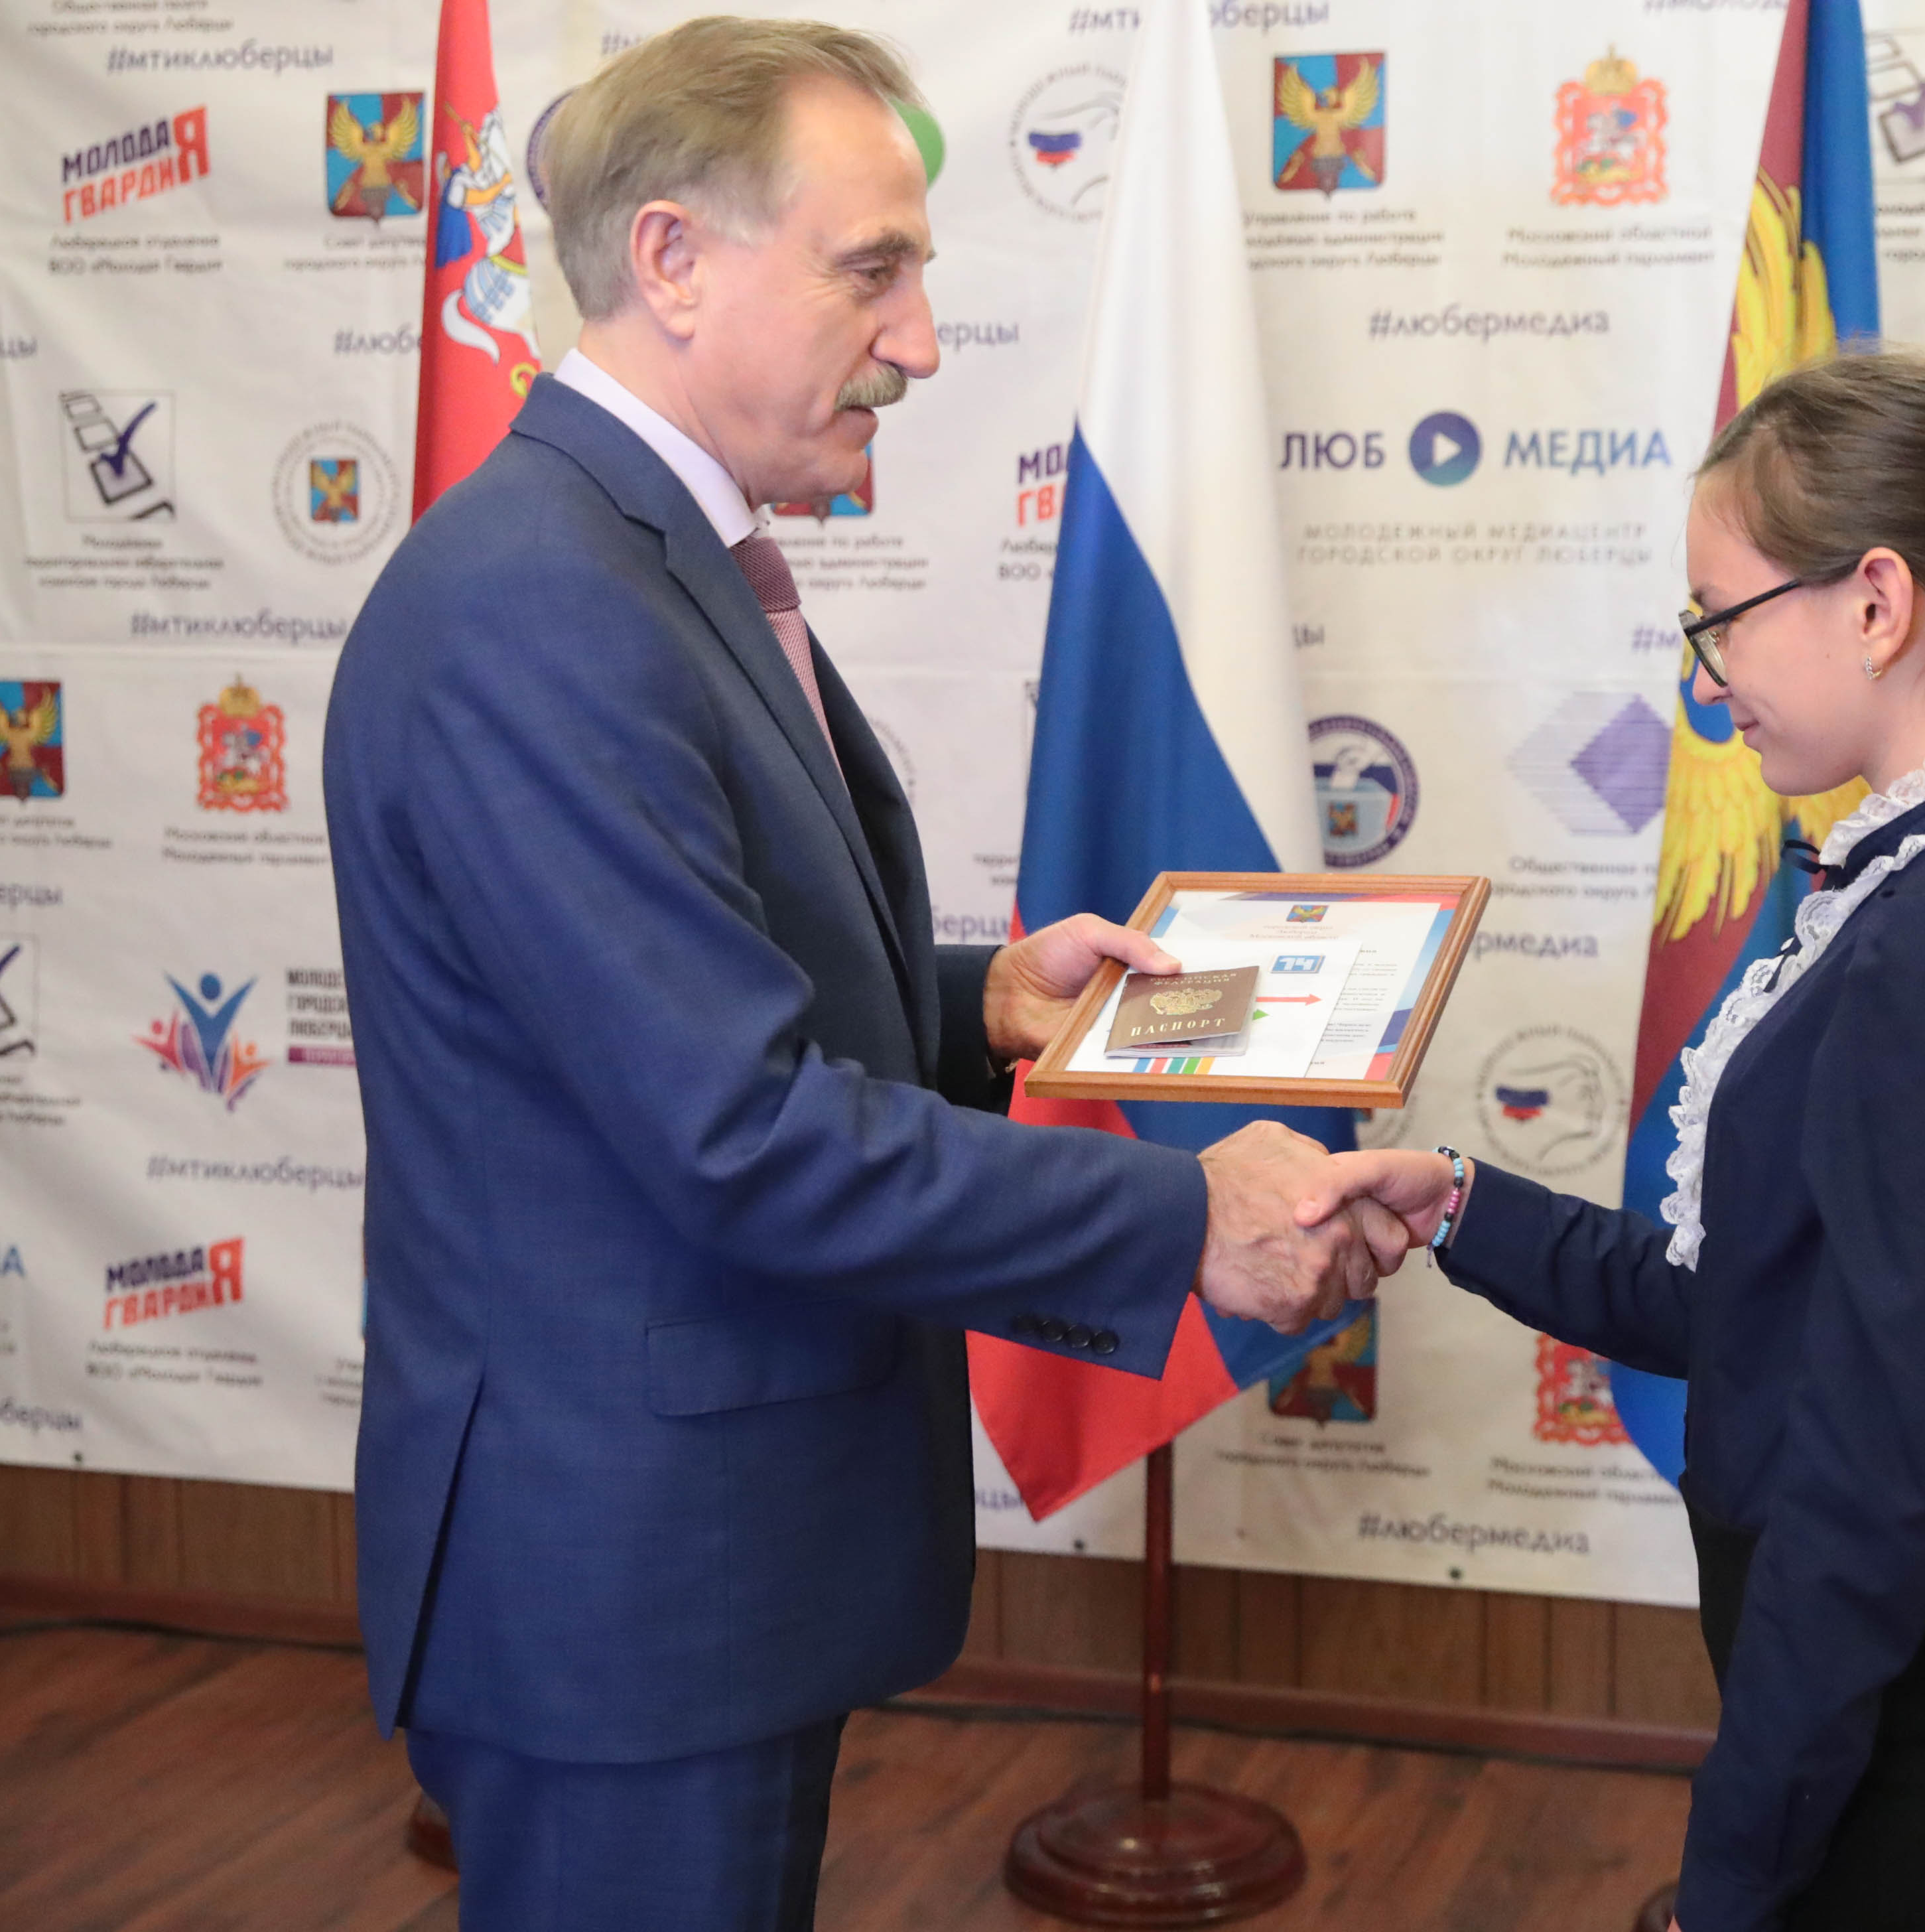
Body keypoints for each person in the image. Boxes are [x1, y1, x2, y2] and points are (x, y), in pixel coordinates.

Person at [322, 19, 1388, 1929]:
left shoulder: (643, 556)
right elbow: (735, 1133)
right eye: (871, 269)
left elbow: (679, 998)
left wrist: (979, 1004)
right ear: (671, 260)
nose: (921, 339)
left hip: (702, 1559)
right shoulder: (542, 605)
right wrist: (1188, 1219)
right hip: (631, 1587)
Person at [1306, 348, 1925, 1931]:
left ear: (1876, 603)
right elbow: (1754, 1307)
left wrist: (1734, 1870)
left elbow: (1867, 1459)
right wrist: (1456, 1199)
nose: (1709, 676)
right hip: (1886, 1672)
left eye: (1720, 618)